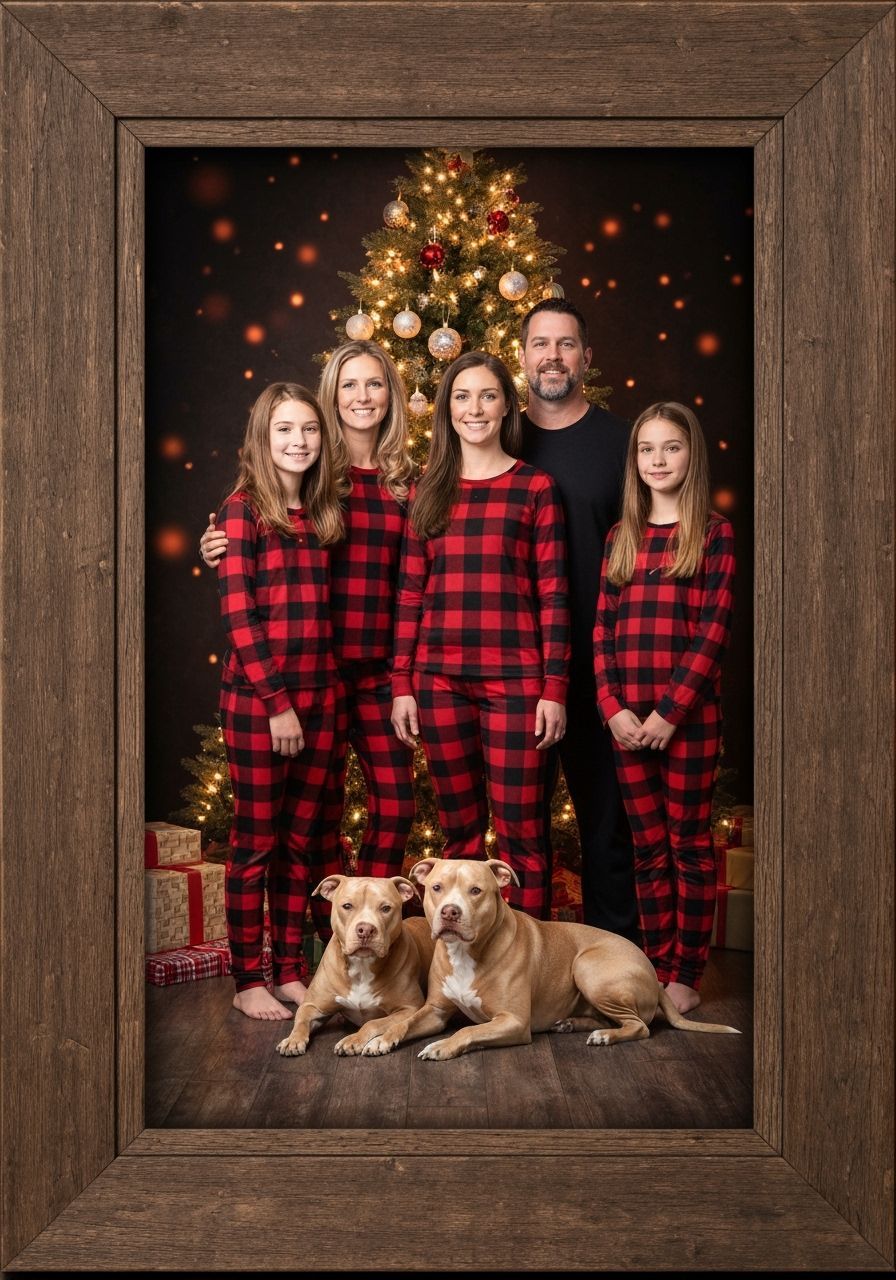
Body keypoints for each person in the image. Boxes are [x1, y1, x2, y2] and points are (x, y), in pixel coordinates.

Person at [202, 341, 417, 886]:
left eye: (375, 383)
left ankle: (373, 916)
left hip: (377, 673)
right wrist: (217, 543)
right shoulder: (317, 475)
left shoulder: (406, 483)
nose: (362, 396)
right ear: (330, 397)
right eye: (349, 385)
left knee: (395, 804)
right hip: (314, 671)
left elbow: (422, 575)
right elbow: (260, 545)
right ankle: (331, 930)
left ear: (391, 395)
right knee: (315, 822)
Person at [390, 351, 569, 918]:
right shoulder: (427, 490)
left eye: (488, 395)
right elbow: (410, 594)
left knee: (522, 836)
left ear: (507, 406)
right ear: (447, 410)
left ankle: (530, 959)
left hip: (516, 684)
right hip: (439, 683)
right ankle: (461, 961)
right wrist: (402, 683)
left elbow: (554, 595)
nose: (475, 408)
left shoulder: (534, 487)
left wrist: (555, 687)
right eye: (462, 397)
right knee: (459, 835)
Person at [593, 401, 735, 1012]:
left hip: (687, 721)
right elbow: (602, 632)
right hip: (627, 721)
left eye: (671, 447)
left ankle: (687, 974)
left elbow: (712, 633)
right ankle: (655, 963)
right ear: (635, 460)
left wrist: (670, 713)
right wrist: (611, 706)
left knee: (688, 845)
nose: (657, 459)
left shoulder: (713, 534)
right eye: (647, 449)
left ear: (690, 455)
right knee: (647, 847)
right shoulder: (620, 538)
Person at [216, 381, 346, 1020]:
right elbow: (240, 618)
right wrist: (277, 703)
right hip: (260, 703)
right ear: (263, 439)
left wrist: (316, 701)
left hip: (322, 697)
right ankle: (249, 978)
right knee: (256, 843)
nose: (299, 441)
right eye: (285, 430)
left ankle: (290, 969)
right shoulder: (242, 512)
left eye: (309, 429)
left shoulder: (321, 515)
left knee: (301, 841)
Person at [516, 298, 639, 940]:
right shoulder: (495, 437)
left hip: (599, 665)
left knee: (606, 827)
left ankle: (615, 962)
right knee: (520, 831)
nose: (553, 356)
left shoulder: (623, 444)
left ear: (586, 357)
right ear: (522, 357)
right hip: (516, 666)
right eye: (541, 344)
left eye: (566, 344)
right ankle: (522, 972)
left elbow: (661, 536)